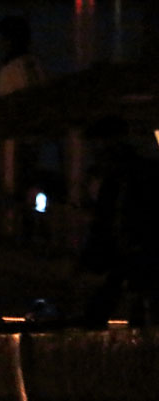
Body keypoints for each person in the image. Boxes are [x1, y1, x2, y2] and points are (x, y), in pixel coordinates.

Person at [79, 116, 159, 328]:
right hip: (131, 257)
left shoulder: (131, 175)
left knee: (139, 306)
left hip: (139, 256)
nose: (95, 154)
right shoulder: (122, 176)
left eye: (99, 147)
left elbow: (110, 221)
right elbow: (106, 222)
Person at [0, 15, 47, 234]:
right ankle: (33, 226)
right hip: (36, 139)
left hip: (17, 140)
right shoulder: (35, 66)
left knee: (13, 187)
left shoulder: (10, 70)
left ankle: (16, 230)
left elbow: (4, 109)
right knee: (29, 184)